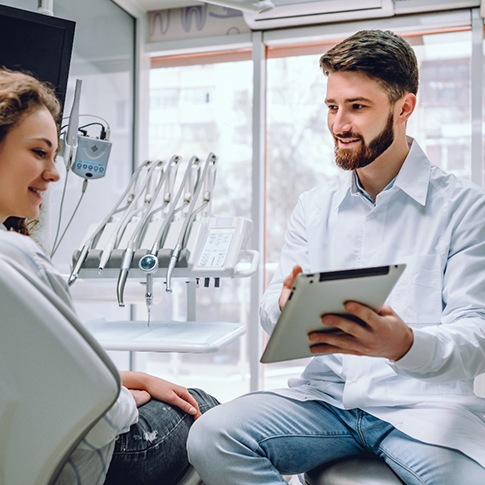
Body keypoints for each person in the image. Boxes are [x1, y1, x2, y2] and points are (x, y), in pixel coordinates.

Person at [186, 29, 485, 484]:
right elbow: (271, 306)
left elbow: (475, 337)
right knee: (211, 437)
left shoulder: (465, 208)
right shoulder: (314, 206)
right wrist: (287, 306)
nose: (339, 124)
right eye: (332, 107)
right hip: (329, 402)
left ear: (404, 108)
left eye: (357, 107)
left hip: (423, 408)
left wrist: (402, 345)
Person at [0, 67, 219, 485]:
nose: (54, 172)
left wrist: (126, 379)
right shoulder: (19, 259)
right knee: (204, 406)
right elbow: (103, 414)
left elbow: (27, 372)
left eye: (55, 156)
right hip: (82, 459)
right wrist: (123, 397)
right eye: (38, 152)